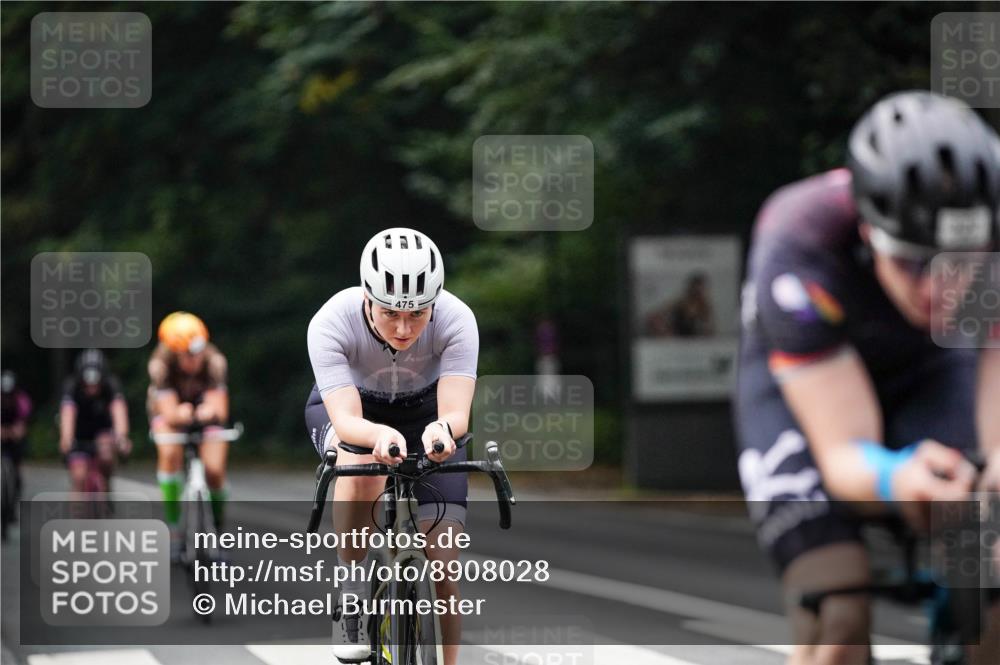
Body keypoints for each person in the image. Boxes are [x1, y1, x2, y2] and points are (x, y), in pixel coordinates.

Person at [734, 90, 1000, 665]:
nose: (937, 289)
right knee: (836, 611)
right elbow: (843, 453)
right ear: (867, 232)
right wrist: (898, 476)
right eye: (910, 261)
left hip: (934, 368)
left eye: (958, 264)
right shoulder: (800, 237)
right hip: (810, 385)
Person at [305, 227, 478, 665]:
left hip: (427, 413)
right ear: (366, 297)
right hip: (354, 410)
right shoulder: (331, 321)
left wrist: (442, 432)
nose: (404, 328)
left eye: (418, 315)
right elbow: (346, 420)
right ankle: (351, 593)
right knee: (359, 457)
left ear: (435, 302)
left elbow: (456, 414)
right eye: (389, 314)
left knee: (443, 565)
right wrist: (378, 435)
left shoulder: (458, 319)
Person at [148, 312, 230, 560]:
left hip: (205, 416)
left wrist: (209, 412)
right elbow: (170, 412)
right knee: (170, 453)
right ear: (174, 352)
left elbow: (220, 410)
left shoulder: (214, 362)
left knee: (214, 470)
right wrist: (178, 414)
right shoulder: (160, 366)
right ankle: (174, 530)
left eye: (198, 352)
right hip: (171, 413)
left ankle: (218, 531)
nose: (195, 359)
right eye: (188, 354)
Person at [59, 350, 131, 494]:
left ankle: (106, 484)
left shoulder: (111, 385)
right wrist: (66, 439)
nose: (92, 388)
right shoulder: (71, 387)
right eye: (88, 384)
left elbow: (119, 410)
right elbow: (68, 413)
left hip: (102, 431)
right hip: (79, 434)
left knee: (106, 453)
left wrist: (122, 437)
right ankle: (78, 513)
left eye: (96, 384)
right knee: (79, 476)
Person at [1, 370, 32, 506]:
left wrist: (18, 430)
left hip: (15, 436)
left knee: (17, 467)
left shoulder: (21, 399)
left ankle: (15, 493)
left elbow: (23, 421)